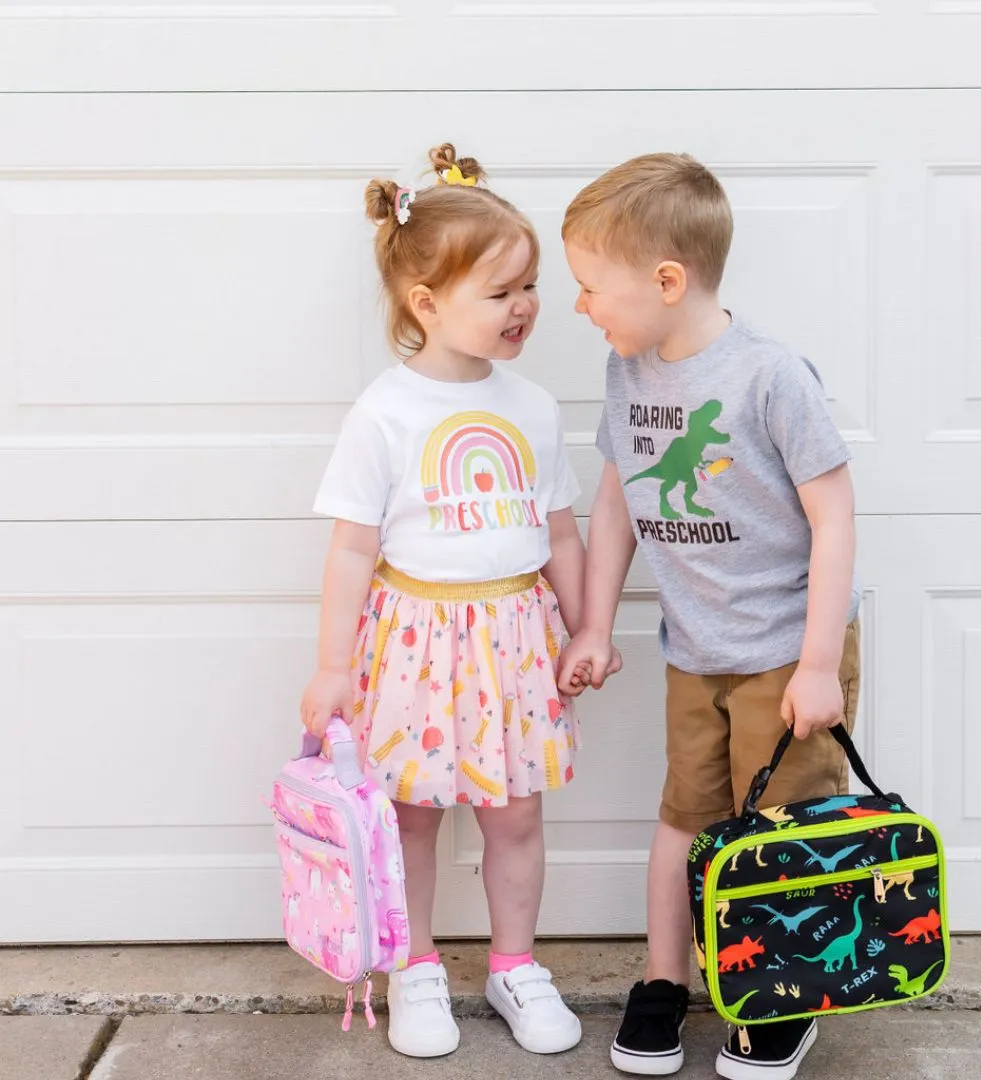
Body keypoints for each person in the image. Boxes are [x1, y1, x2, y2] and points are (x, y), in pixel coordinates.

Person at [557, 152, 861, 1080]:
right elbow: (617, 502)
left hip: (783, 653)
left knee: (781, 833)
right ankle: (665, 981)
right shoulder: (628, 373)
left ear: (667, 280)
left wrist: (817, 666)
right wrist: (596, 626)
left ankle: (783, 994)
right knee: (684, 817)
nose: (580, 308)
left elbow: (835, 517)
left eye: (589, 287)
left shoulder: (771, 376)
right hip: (695, 652)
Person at [300, 142, 586, 1060]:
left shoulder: (534, 407)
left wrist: (584, 629)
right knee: (410, 818)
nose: (525, 308)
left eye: (530, 286)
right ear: (426, 303)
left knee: (517, 816)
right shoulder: (384, 412)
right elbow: (352, 548)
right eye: (501, 292)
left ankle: (513, 965)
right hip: (413, 642)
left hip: (513, 642)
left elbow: (564, 535)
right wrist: (333, 667)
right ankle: (414, 966)